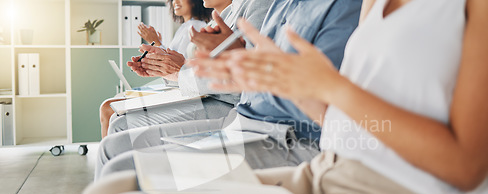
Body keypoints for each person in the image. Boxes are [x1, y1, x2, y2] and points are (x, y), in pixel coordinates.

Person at [79, 0, 488, 194]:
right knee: (109, 192)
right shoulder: (373, 4)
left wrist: (331, 87)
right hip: (327, 170)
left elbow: (466, 166)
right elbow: (338, 118)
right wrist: (268, 76)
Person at [94, 0, 362, 181]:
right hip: (246, 116)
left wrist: (220, 65)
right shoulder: (279, 5)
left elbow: (316, 98)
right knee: (115, 146)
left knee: (119, 157)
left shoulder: (339, 8)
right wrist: (224, 61)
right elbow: (253, 74)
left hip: (276, 130)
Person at [99, 0, 213, 138]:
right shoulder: (185, 27)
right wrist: (157, 48)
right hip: (178, 87)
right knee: (112, 104)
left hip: (182, 91)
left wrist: (157, 43)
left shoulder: (195, 26)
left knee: (107, 108)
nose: (175, 2)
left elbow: (178, 66)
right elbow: (175, 63)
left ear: (194, 2)